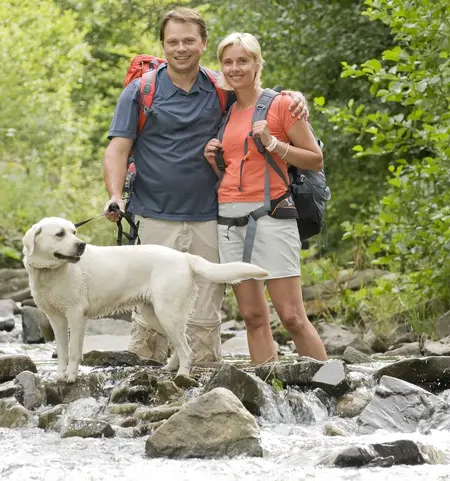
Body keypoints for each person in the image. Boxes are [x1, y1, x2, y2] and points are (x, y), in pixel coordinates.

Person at [102, 7, 309, 365]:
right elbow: (117, 150)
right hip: (153, 216)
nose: (180, 48)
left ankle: (200, 389)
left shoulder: (220, 88)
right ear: (163, 45)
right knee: (150, 312)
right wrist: (115, 197)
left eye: (188, 41)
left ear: (202, 44)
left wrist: (293, 97)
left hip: (212, 218)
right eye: (172, 42)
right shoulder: (142, 92)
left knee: (202, 313)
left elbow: (257, 96)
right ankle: (144, 393)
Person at [204, 32, 328, 363]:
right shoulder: (227, 110)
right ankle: (268, 400)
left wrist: (274, 143)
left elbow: (315, 159)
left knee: (292, 317)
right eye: (228, 62)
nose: (235, 68)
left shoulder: (283, 104)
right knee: (254, 318)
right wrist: (212, 159)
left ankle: (334, 387)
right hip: (229, 221)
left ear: (258, 63)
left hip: (273, 216)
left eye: (243, 60)